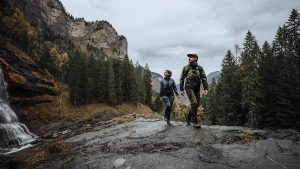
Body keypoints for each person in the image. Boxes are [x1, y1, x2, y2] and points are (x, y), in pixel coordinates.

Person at [179, 54, 208, 128]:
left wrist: (206, 88)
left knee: (196, 104)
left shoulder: (200, 68)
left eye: (191, 57)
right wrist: (181, 89)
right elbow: (182, 79)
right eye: (189, 57)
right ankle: (194, 122)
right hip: (188, 88)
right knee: (194, 102)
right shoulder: (186, 68)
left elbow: (204, 78)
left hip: (197, 89)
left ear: (195, 58)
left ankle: (188, 118)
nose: (189, 58)